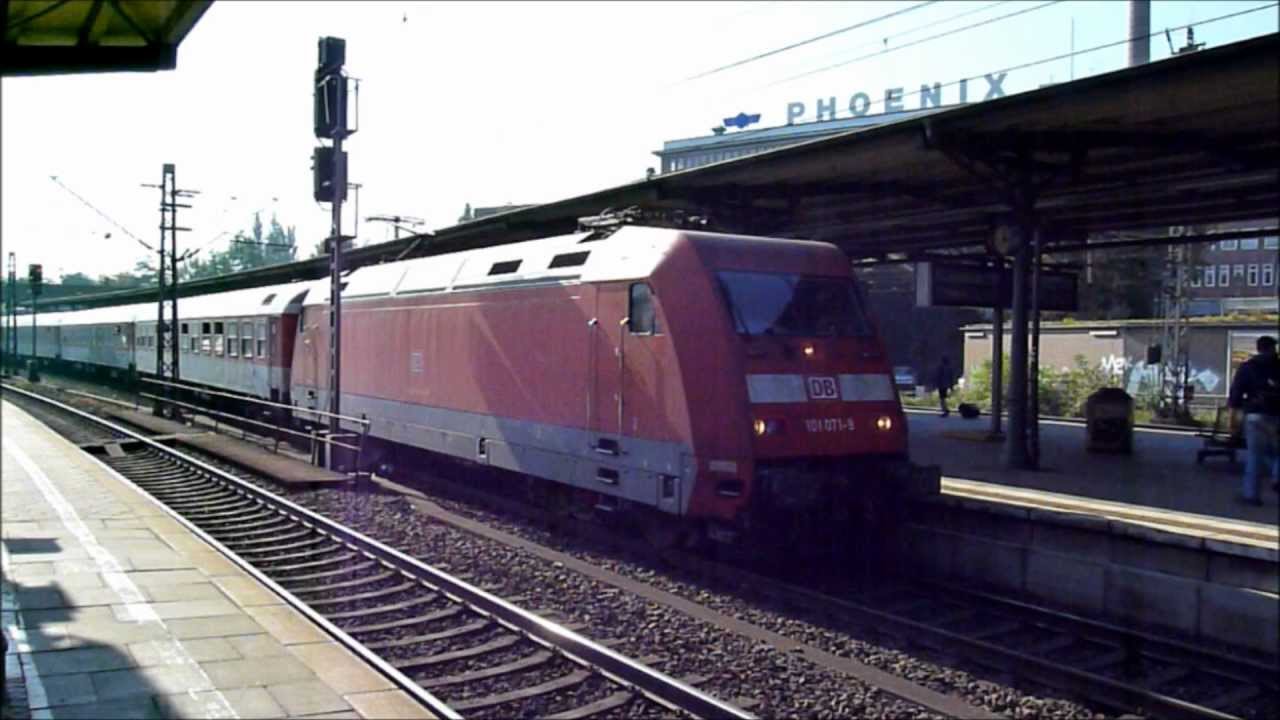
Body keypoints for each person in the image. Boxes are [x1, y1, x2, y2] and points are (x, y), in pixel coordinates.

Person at [1227, 335, 1280, 506]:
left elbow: (1236, 394)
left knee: (1255, 456)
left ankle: (1251, 495)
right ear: (1273, 348)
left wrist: (1234, 418)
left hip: (1255, 415)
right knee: (1276, 452)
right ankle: (1276, 476)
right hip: (1277, 415)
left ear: (1258, 348)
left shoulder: (1248, 367)